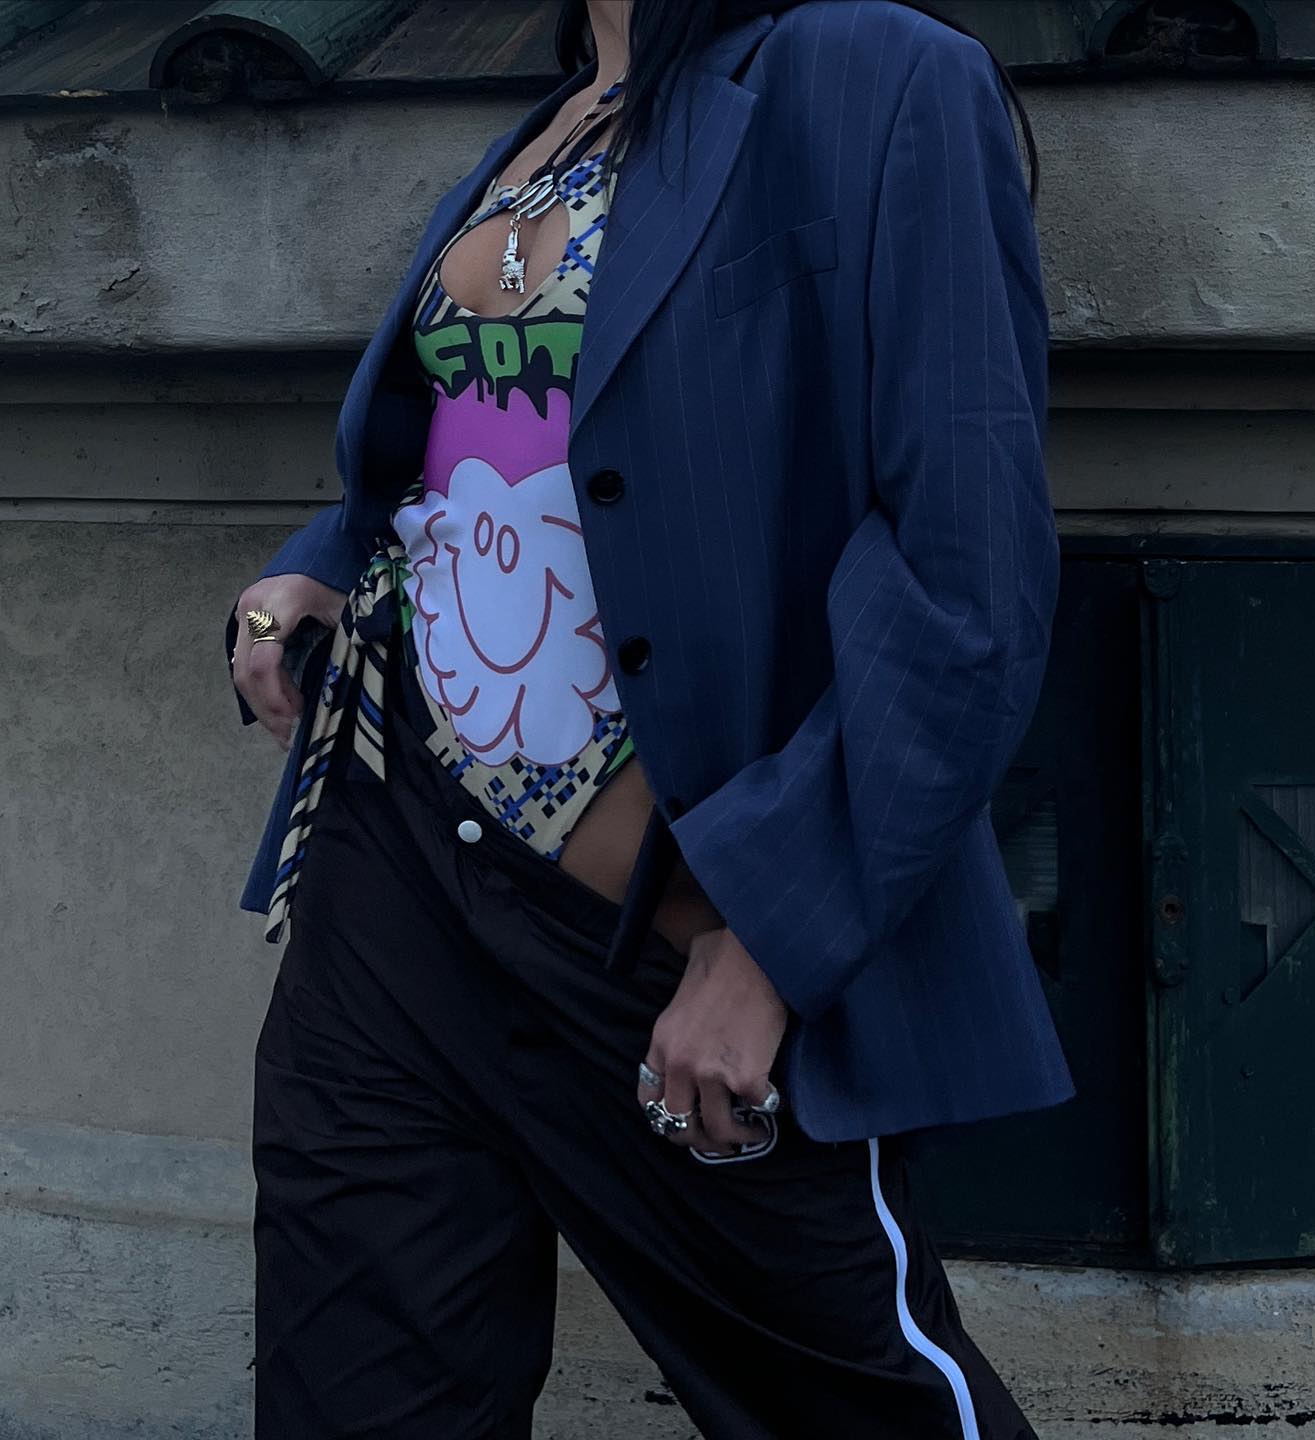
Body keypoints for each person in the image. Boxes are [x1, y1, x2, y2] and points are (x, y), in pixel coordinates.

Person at [226, 0, 1073, 1434]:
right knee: (351, 1397)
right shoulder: (551, 116)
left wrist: (774, 935)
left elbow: (966, 576)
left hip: (667, 929)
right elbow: (510, 436)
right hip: (392, 878)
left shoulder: (876, 77)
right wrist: (325, 559)